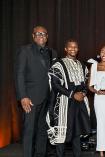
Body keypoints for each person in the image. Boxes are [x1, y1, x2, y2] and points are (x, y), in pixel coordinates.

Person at [14, 25, 57, 157]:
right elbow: (19, 74)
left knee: (43, 131)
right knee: (29, 131)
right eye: (38, 34)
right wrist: (23, 96)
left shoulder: (52, 52)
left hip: (47, 98)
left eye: (44, 34)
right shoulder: (25, 50)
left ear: (47, 37)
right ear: (33, 36)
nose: (41, 36)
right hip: (30, 99)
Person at [46, 39, 90, 157]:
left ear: (78, 49)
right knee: (62, 134)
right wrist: (72, 94)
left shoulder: (82, 65)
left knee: (77, 132)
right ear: (65, 49)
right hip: (64, 103)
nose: (73, 49)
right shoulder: (58, 65)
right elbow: (55, 85)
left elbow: (86, 83)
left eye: (75, 47)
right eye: (70, 47)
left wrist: (83, 93)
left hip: (80, 104)